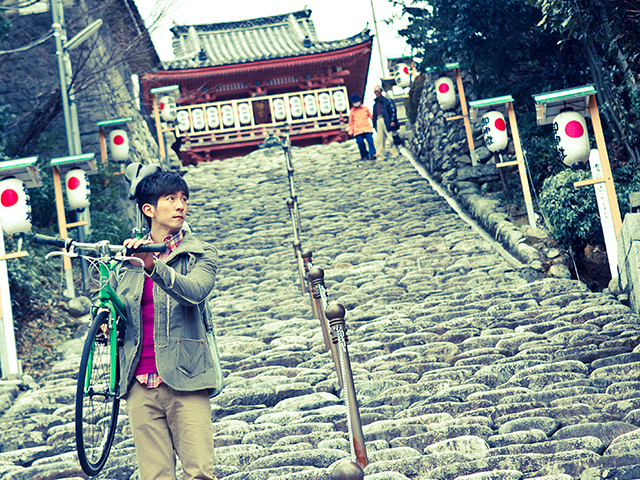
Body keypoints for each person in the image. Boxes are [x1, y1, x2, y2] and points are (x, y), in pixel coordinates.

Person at [113, 170, 220, 480]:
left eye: (183, 199)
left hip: (186, 377)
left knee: (199, 472)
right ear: (149, 209)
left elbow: (194, 292)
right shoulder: (127, 260)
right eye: (171, 199)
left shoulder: (200, 252)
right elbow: (119, 309)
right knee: (155, 476)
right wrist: (110, 327)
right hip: (139, 384)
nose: (180, 206)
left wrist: (153, 266)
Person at [372, 85, 400, 158]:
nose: (376, 93)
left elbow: (392, 110)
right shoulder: (375, 104)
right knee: (379, 139)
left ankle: (394, 153)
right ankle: (380, 155)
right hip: (379, 120)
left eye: (377, 91)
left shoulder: (387, 101)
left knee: (391, 138)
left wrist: (392, 120)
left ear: (381, 91)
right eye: (375, 91)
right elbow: (374, 115)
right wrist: (374, 124)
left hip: (387, 120)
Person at [348, 93, 376, 160]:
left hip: (367, 128)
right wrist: (350, 130)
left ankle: (372, 154)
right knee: (360, 143)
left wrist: (375, 124)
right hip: (358, 130)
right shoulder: (352, 111)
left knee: (370, 141)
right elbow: (351, 122)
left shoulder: (365, 108)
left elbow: (371, 117)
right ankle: (364, 155)